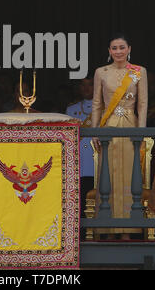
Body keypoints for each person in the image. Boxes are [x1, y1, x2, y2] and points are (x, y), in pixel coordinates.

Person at [91, 33, 148, 240]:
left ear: (129, 49)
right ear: (109, 51)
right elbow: (97, 104)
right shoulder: (101, 72)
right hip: (108, 127)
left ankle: (128, 230)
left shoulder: (139, 72)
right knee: (108, 175)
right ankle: (106, 229)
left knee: (129, 175)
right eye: (114, 48)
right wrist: (96, 130)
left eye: (121, 47)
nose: (118, 51)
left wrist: (141, 131)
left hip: (130, 127)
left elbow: (142, 104)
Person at [66, 76, 95, 239]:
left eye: (90, 85)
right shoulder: (72, 109)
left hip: (96, 161)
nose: (86, 88)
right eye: (82, 85)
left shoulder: (105, 109)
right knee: (80, 201)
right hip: (79, 163)